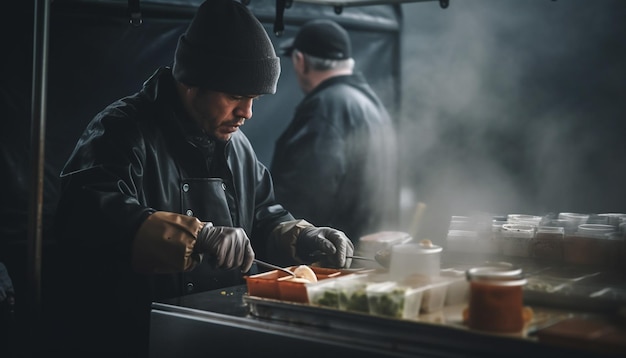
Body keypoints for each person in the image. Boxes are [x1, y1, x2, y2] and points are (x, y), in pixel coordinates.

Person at [50, 1, 353, 356]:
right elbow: (87, 216)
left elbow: (263, 214)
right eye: (236, 96)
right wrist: (198, 237)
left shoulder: (237, 145)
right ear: (192, 81)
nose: (248, 113)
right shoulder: (122, 131)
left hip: (214, 335)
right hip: (132, 339)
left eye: (254, 98)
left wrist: (302, 237)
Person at [270, 19, 399, 245]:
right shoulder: (373, 105)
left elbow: (303, 202)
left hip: (330, 263)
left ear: (300, 61)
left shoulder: (324, 109)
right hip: (366, 256)